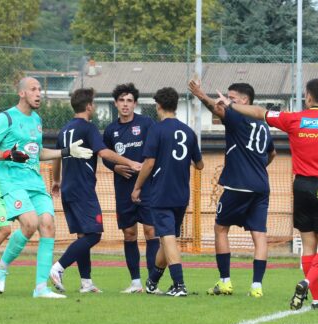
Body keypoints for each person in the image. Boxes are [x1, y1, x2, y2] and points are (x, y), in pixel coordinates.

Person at [215, 78, 318, 310]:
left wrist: (229, 104)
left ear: (308, 96)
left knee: (308, 247)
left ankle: (317, 299)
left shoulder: (294, 119)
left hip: (301, 187)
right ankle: (307, 282)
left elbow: (259, 112)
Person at [0, 77, 93, 298]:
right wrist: (7, 154)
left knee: (48, 225)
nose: (38, 93)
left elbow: (37, 153)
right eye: (33, 89)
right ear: (22, 93)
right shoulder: (6, 118)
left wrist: (67, 152)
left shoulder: (37, 120)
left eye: (39, 89)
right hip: (12, 182)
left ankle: (41, 288)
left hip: (35, 181)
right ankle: (1, 268)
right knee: (30, 223)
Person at [49, 88, 142, 293]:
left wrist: (56, 180)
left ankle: (86, 283)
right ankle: (58, 267)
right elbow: (104, 152)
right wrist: (130, 162)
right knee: (94, 235)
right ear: (89, 106)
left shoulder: (64, 130)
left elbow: (56, 156)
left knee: (83, 236)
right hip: (83, 189)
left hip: (68, 189)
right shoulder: (88, 128)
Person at [189, 80, 276, 298]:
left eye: (231, 97)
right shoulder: (263, 125)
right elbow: (272, 154)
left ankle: (225, 282)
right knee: (260, 235)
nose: (226, 101)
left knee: (220, 228)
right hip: (261, 186)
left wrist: (201, 94)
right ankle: (257, 287)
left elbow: (215, 108)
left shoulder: (238, 117)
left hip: (238, 185)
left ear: (244, 100)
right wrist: (257, 167)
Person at [132, 87, 203, 296]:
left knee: (167, 237)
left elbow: (149, 162)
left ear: (159, 106)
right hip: (181, 194)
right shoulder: (188, 132)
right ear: (176, 105)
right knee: (167, 238)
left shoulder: (157, 129)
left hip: (161, 192)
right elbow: (200, 165)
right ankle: (153, 281)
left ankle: (179, 284)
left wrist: (137, 187)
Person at [103, 83, 161, 293]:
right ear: (116, 103)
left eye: (129, 101)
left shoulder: (146, 124)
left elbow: (156, 151)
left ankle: (152, 283)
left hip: (147, 188)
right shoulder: (111, 130)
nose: (125, 104)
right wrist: (115, 166)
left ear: (135, 104)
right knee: (129, 234)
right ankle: (135, 282)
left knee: (151, 231)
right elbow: (105, 157)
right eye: (122, 100)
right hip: (123, 189)